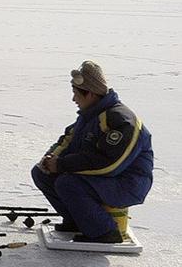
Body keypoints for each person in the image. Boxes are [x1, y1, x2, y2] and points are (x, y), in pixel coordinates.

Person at [31, 61, 153, 243]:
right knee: (42, 174)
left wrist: (62, 165)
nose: (74, 99)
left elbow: (110, 165)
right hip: (105, 179)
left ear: (90, 94)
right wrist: (49, 160)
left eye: (76, 94)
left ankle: (105, 231)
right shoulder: (90, 116)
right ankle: (78, 221)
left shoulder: (121, 120)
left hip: (127, 183)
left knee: (68, 183)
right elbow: (67, 141)